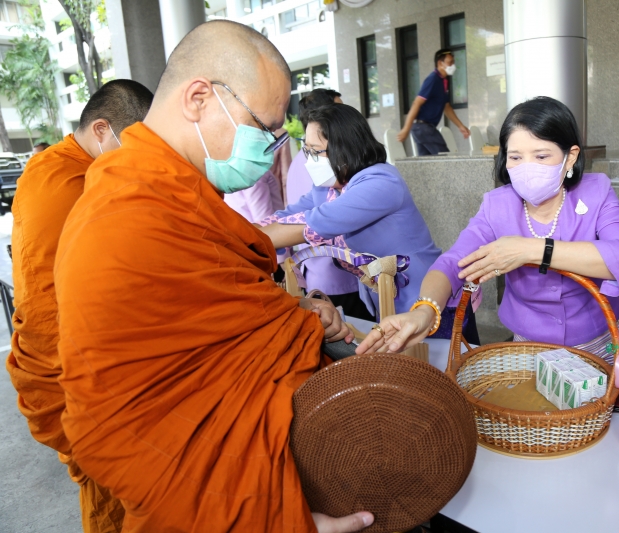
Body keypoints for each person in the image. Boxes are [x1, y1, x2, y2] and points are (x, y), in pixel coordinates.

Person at [54, 21, 372, 533]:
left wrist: (294, 314)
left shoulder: (183, 193)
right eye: (264, 127)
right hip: (190, 483)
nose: (270, 148)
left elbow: (227, 317)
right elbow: (126, 410)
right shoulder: (123, 213)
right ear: (199, 98)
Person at [357, 97, 619, 361]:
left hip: (600, 339)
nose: (526, 167)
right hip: (530, 346)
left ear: (570, 157)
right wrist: (425, 311)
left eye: (541, 156)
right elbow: (453, 262)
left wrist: (531, 250)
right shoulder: (498, 206)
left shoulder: (596, 192)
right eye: (516, 157)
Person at [5, 79, 153, 533]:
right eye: (135, 143)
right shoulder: (64, 183)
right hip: (69, 371)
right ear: (103, 129)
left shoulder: (68, 167)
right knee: (117, 494)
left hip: (83, 358)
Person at [258, 103, 454, 327]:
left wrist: (245, 241)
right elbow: (287, 215)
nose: (310, 160)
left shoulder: (381, 181)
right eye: (307, 150)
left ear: (345, 148)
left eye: (316, 151)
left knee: (437, 360)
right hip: (385, 297)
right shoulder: (329, 187)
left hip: (425, 297)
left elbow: (316, 223)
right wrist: (241, 228)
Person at [281, 88, 371, 318]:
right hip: (334, 276)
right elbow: (312, 218)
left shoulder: (319, 164)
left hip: (331, 273)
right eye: (338, 109)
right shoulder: (319, 166)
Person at [396, 48, 470, 155]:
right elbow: (417, 102)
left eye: (453, 62)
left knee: (428, 165)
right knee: (445, 159)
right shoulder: (433, 79)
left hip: (421, 128)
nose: (453, 66)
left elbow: (447, 107)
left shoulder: (443, 81)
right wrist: (405, 129)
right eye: (450, 63)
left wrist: (460, 126)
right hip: (423, 128)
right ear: (440, 63)